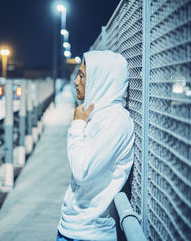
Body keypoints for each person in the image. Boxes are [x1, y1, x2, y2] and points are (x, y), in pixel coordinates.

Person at [57, 50, 135, 241]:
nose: (76, 81)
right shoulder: (97, 115)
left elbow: (82, 171)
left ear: (101, 80)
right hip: (72, 227)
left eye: (82, 76)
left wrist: (77, 124)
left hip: (90, 233)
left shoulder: (114, 121)